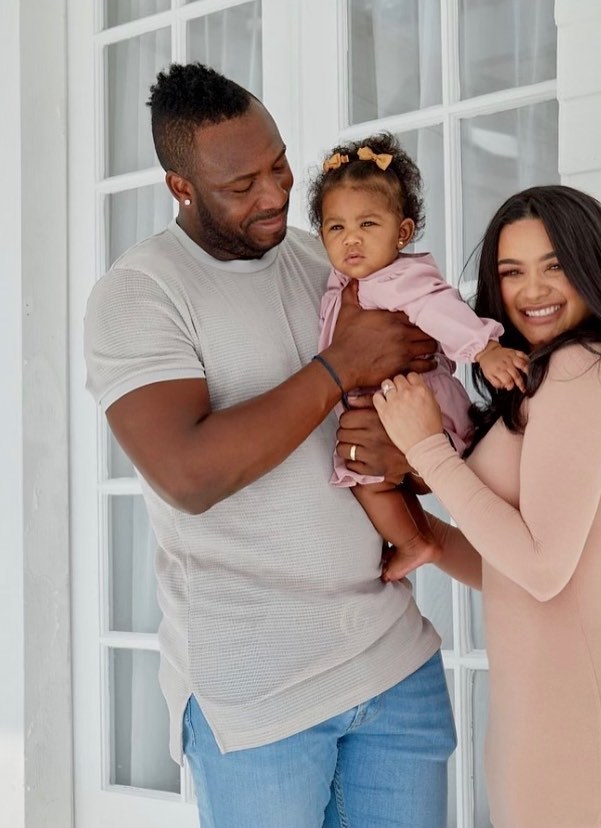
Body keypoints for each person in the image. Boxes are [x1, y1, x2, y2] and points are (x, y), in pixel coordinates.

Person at [83, 62, 456, 828]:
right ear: (180, 187)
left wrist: (404, 462)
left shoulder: (329, 262)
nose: (277, 194)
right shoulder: (140, 293)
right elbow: (189, 474)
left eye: (280, 163)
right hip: (257, 699)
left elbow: (415, 411)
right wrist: (337, 365)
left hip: (394, 664)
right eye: (241, 184)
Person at [373, 185, 601, 827]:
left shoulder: (581, 369)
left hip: (577, 713)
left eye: (554, 265)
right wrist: (429, 539)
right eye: (510, 272)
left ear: (592, 266)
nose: (531, 290)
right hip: (570, 707)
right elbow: (516, 560)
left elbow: (543, 569)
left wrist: (428, 449)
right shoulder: (562, 372)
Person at [309, 132, 527, 580]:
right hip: (387, 407)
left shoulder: (396, 278)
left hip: (416, 400)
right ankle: (418, 539)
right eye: (337, 228)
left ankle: (415, 542)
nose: (352, 239)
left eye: (368, 225)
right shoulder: (343, 283)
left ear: (402, 232)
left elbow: (438, 306)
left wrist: (482, 349)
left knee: (362, 477)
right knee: (368, 473)